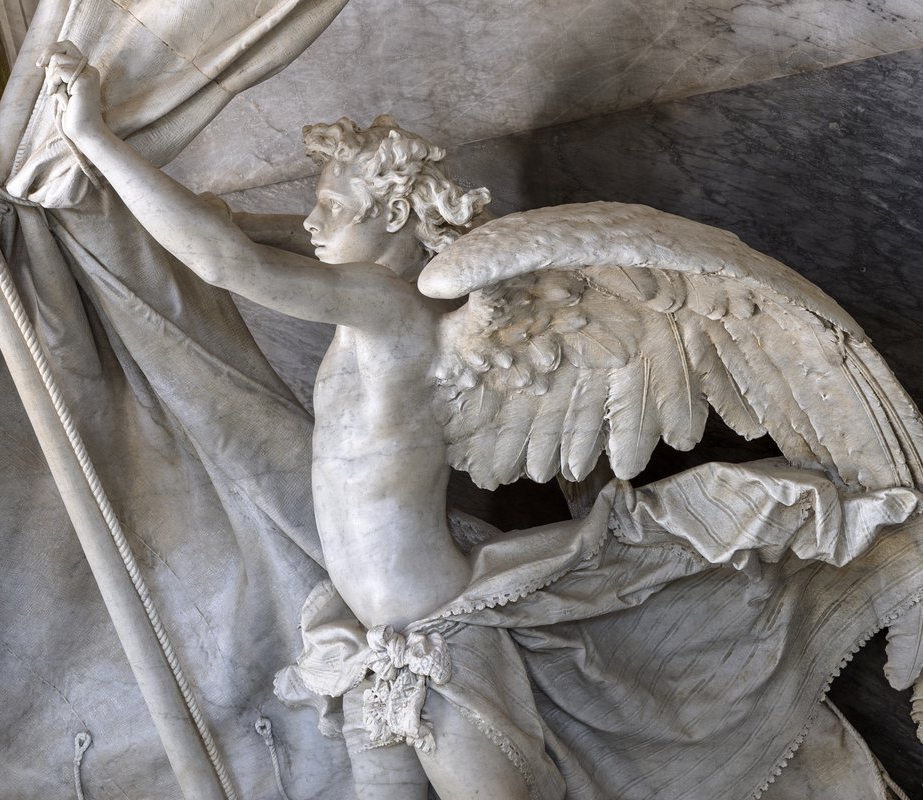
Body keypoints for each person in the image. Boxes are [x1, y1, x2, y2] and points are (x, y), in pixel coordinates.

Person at [40, 42, 564, 800]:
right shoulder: (368, 293)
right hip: (367, 641)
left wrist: (95, 139)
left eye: (333, 208)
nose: (313, 219)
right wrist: (102, 194)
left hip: (432, 637)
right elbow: (243, 233)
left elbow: (230, 263)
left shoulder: (390, 308)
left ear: (393, 215)